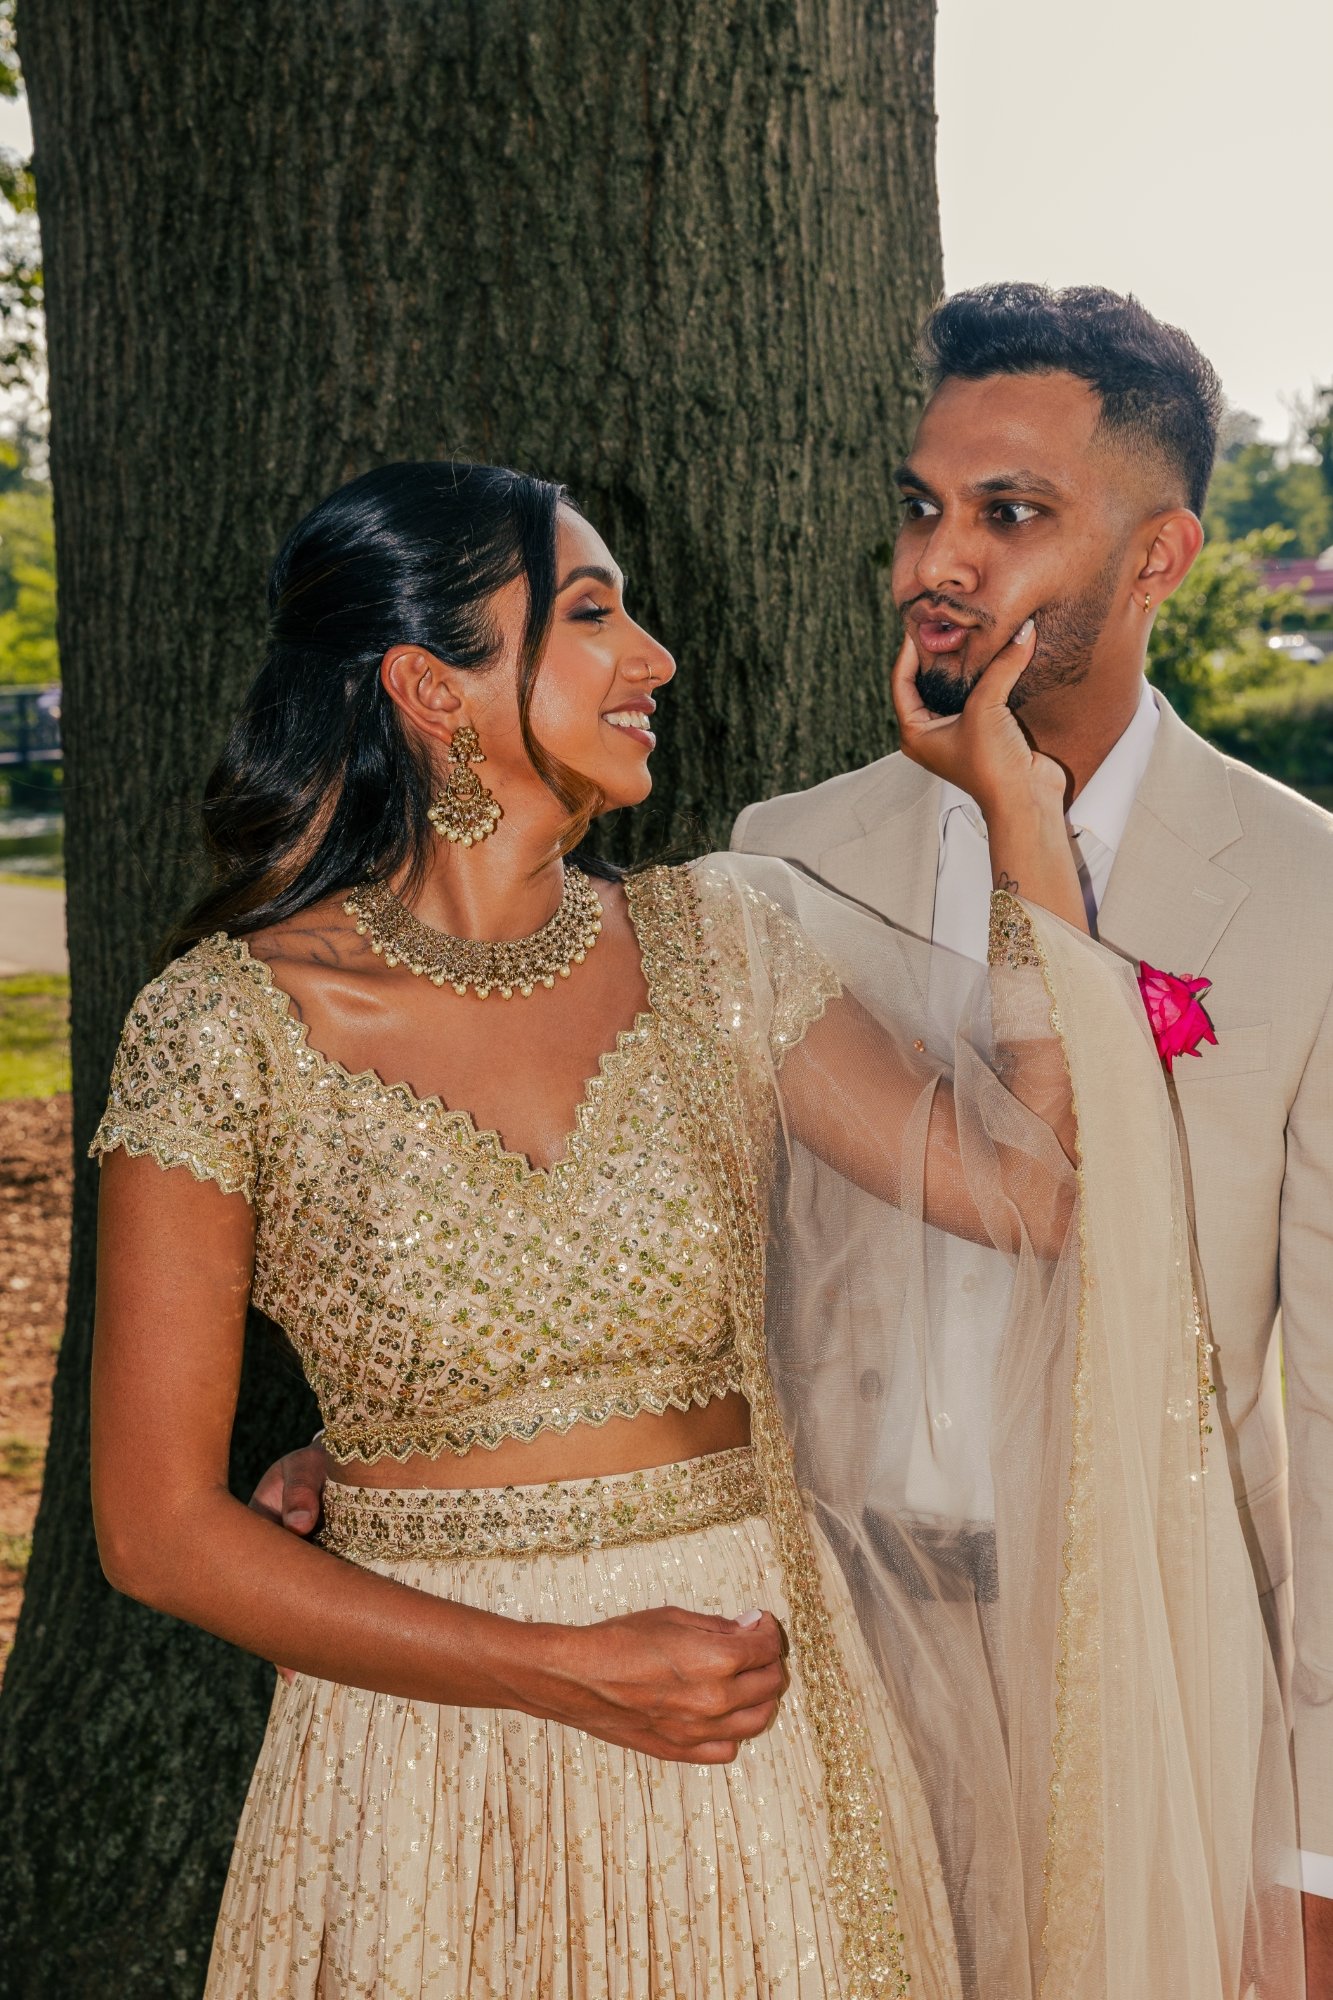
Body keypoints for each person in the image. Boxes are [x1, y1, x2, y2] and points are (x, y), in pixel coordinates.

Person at [92, 460, 1297, 1999]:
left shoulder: (715, 947)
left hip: (750, 1717)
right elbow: (155, 1531)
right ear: (429, 688)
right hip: (428, 1762)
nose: (655, 656)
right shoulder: (223, 1028)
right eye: (592, 613)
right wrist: (560, 1671)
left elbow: (1036, 1197)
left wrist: (1017, 821)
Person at [730, 281, 1333, 1995]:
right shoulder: (789, 851)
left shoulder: (1307, 898)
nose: (941, 561)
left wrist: (1315, 1851)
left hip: (1148, 1693)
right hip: (823, 1662)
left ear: (1157, 559)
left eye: (1011, 517)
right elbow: (703, 1245)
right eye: (922, 507)